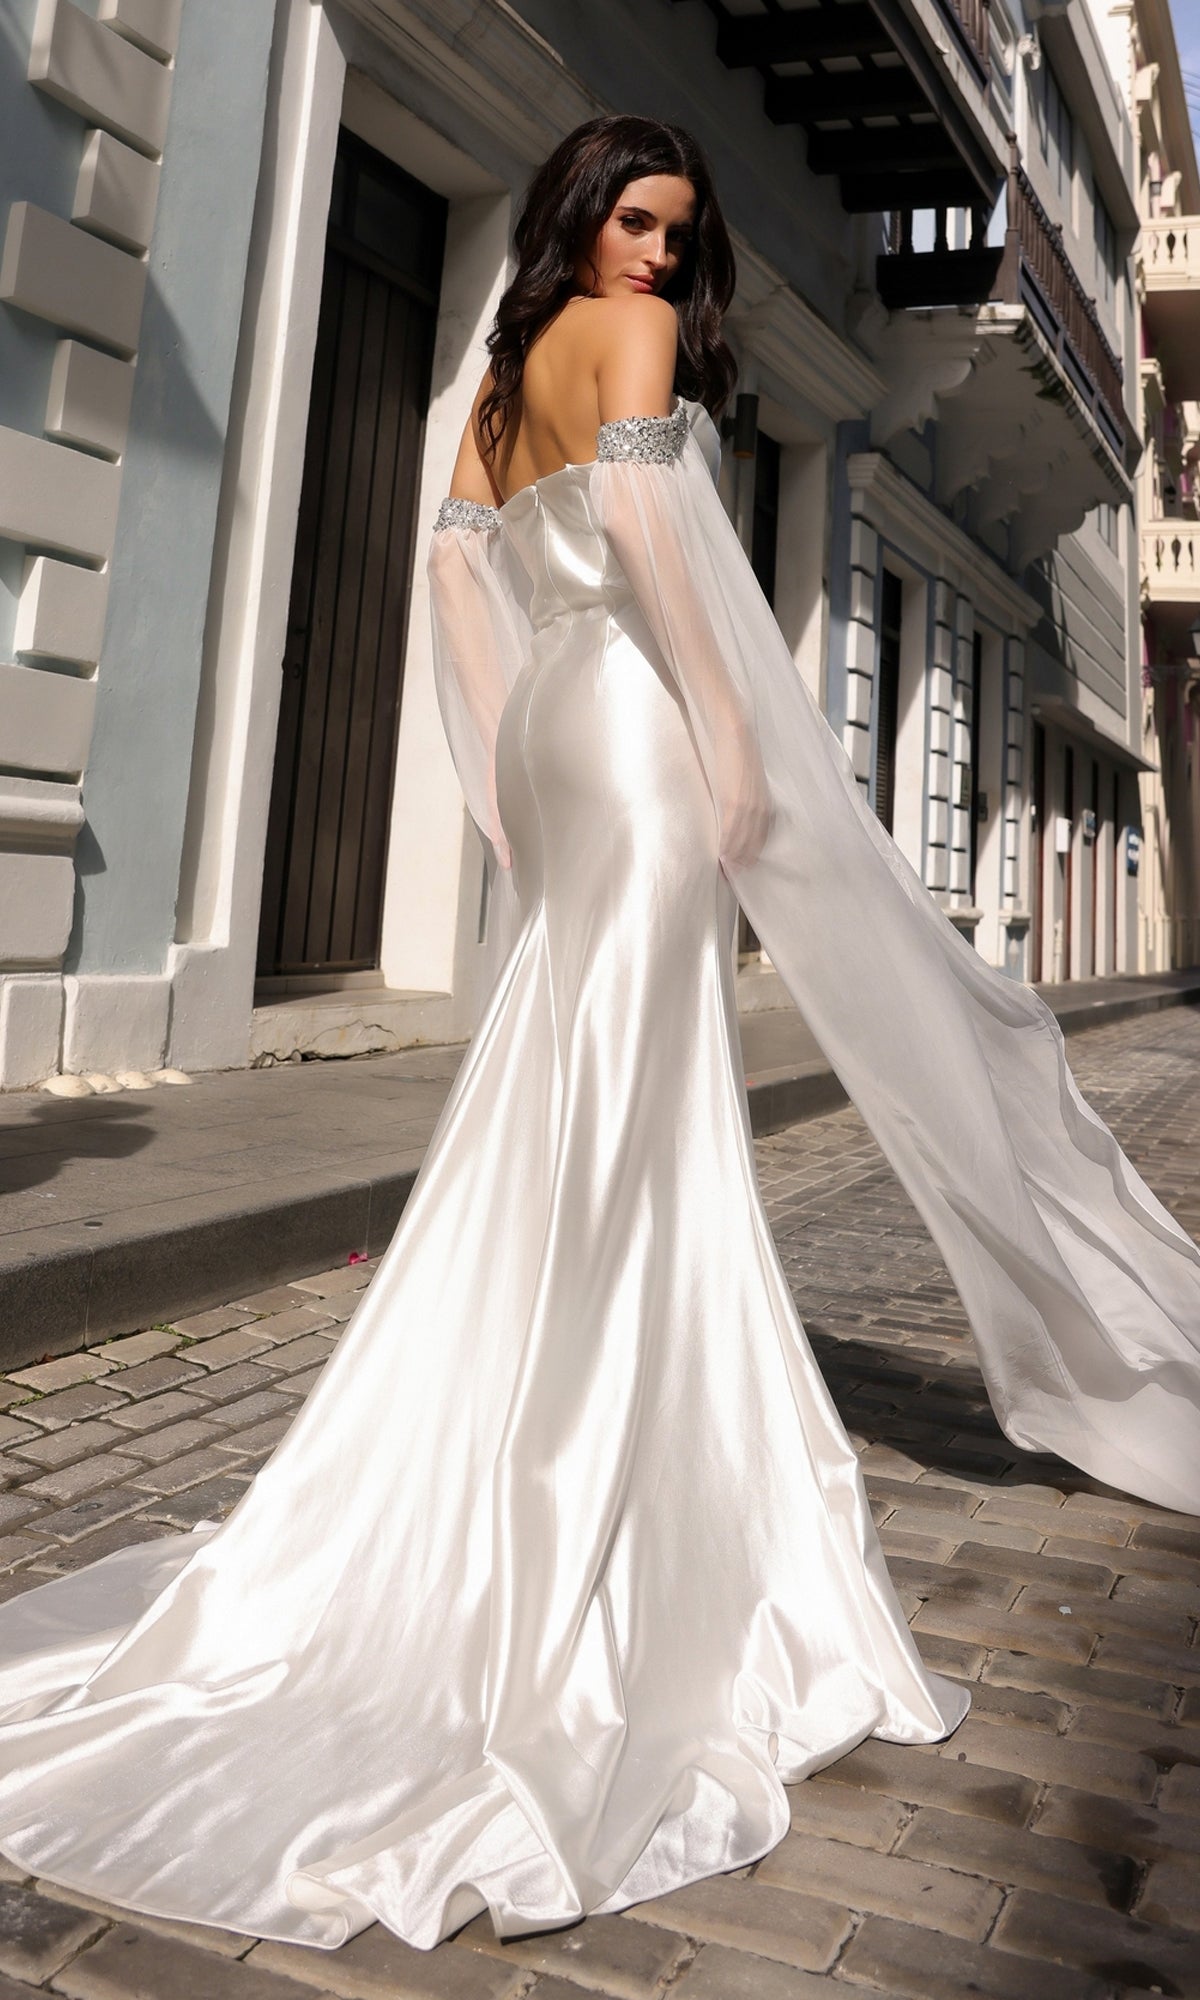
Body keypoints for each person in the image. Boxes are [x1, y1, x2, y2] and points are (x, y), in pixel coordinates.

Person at [0, 113, 1195, 1959]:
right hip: (636, 728)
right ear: (578, 209)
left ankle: (541, 1420)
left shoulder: (502, 374)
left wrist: (500, 785)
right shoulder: (629, 341)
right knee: (637, 1110)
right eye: (635, 217)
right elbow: (644, 530)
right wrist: (730, 732)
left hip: (559, 735)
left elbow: (452, 570)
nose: (657, 253)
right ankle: (588, 1499)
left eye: (677, 230)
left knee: (576, 1091)